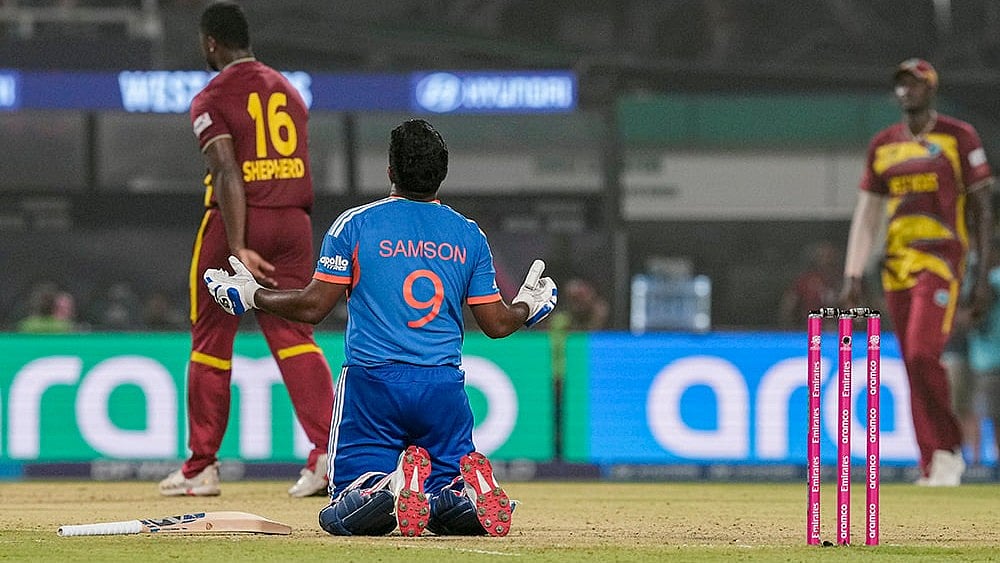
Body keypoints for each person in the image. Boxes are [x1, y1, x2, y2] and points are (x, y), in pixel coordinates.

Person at [202, 119, 558, 537]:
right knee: (443, 501)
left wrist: (253, 295)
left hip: (373, 385)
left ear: (390, 170)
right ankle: (464, 493)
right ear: (442, 173)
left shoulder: (354, 225)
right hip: (443, 388)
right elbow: (497, 324)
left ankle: (386, 485)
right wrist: (527, 308)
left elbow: (314, 305)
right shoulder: (469, 235)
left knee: (340, 511)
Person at [158, 1, 334, 499]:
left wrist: (237, 243)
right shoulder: (289, 90)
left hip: (239, 222)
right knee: (294, 335)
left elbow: (228, 170)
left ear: (211, 42)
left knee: (210, 338)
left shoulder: (211, 98)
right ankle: (327, 454)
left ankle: (201, 469)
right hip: (294, 223)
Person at [840, 58, 995, 486]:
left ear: (931, 89)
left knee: (925, 353)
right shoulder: (883, 145)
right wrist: (853, 273)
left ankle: (947, 451)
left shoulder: (958, 136)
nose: (906, 91)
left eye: (915, 84)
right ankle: (931, 462)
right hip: (897, 268)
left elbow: (983, 207)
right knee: (912, 361)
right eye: (901, 84)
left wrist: (981, 275)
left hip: (942, 263)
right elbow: (868, 213)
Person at [968, 237, 1000, 467]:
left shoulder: (991, 280)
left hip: (989, 360)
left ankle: (979, 464)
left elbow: (976, 313)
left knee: (986, 415)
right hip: (982, 359)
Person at [778, 241, 841, 328]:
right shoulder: (805, 280)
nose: (827, 260)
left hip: (838, 330)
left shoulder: (841, 280)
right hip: (808, 328)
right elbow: (789, 304)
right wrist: (789, 326)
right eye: (823, 256)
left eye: (830, 256)